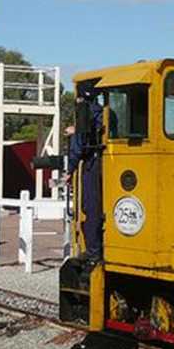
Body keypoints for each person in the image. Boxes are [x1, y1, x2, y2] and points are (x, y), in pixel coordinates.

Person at [66, 92, 104, 264]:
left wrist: (70, 169)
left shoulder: (84, 112)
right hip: (104, 162)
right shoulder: (104, 112)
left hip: (92, 163)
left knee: (90, 207)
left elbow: (79, 144)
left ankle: (93, 250)